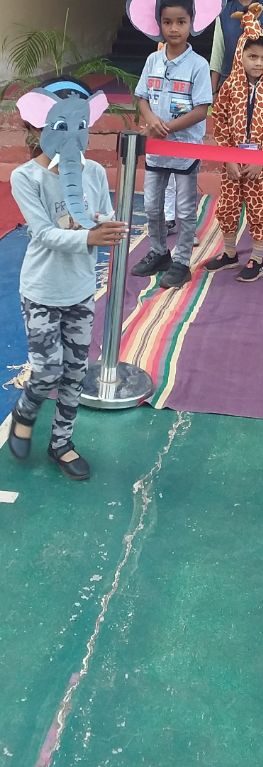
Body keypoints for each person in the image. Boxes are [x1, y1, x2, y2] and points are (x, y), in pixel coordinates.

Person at [8, 77, 128, 480]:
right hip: (42, 291)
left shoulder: (92, 172)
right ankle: (26, 410)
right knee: (48, 371)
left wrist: (105, 224)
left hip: (80, 290)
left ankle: (61, 442)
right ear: (39, 124)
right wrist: (88, 236)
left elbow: (104, 212)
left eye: (80, 124)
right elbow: (43, 233)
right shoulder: (27, 177)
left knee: (75, 371)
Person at [131, 0, 212, 289]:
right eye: (167, 22)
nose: (174, 28)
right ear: (160, 24)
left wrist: (167, 127)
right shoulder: (152, 60)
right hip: (156, 150)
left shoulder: (198, 65)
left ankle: (181, 262)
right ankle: (159, 251)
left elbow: (201, 109)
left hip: (184, 150)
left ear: (191, 23)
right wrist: (151, 119)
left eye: (180, 22)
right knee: (152, 206)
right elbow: (142, 97)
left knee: (185, 209)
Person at [205, 4, 263, 282]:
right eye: (252, 56)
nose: (259, 63)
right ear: (240, 54)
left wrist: (262, 160)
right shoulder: (229, 87)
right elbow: (220, 121)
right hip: (232, 161)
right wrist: (227, 156)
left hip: (260, 164)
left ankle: (257, 259)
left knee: (259, 206)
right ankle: (229, 253)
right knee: (228, 204)